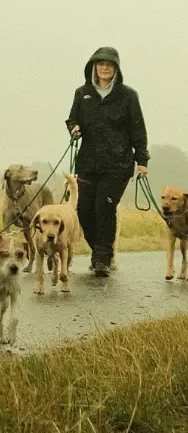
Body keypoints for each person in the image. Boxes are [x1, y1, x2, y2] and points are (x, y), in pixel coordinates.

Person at [66, 46, 148, 278]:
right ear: (93, 66)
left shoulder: (128, 96)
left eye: (109, 64)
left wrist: (142, 160)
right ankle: (102, 251)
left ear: (116, 69)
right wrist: (74, 128)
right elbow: (72, 118)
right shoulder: (82, 93)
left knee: (104, 207)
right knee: (84, 210)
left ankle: (101, 259)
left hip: (118, 164)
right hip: (88, 163)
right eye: (100, 63)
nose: (104, 67)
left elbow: (138, 129)